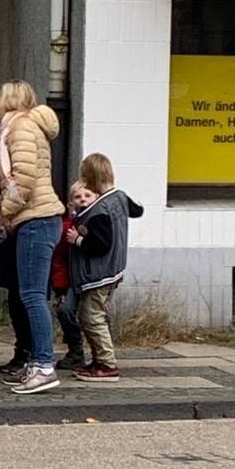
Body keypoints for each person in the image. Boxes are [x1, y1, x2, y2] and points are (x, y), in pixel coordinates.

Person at [0, 79, 66, 395]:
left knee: (32, 295)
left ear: (11, 100)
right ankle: (36, 362)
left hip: (35, 220)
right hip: (38, 219)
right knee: (30, 295)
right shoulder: (21, 128)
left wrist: (6, 213)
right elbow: (7, 175)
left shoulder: (20, 128)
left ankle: (43, 365)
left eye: (0, 98)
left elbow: (24, 181)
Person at [68, 153, 144, 383]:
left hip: (99, 273)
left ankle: (106, 364)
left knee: (92, 317)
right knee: (90, 315)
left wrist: (78, 240)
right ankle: (98, 359)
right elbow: (137, 211)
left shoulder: (99, 210)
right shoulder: (119, 197)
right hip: (113, 269)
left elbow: (101, 244)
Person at [53, 184, 87, 370]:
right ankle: (76, 351)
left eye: (87, 196)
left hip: (91, 277)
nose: (82, 200)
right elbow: (59, 259)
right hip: (71, 279)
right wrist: (60, 287)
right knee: (65, 311)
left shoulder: (97, 221)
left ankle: (101, 356)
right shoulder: (65, 228)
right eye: (77, 197)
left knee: (94, 316)